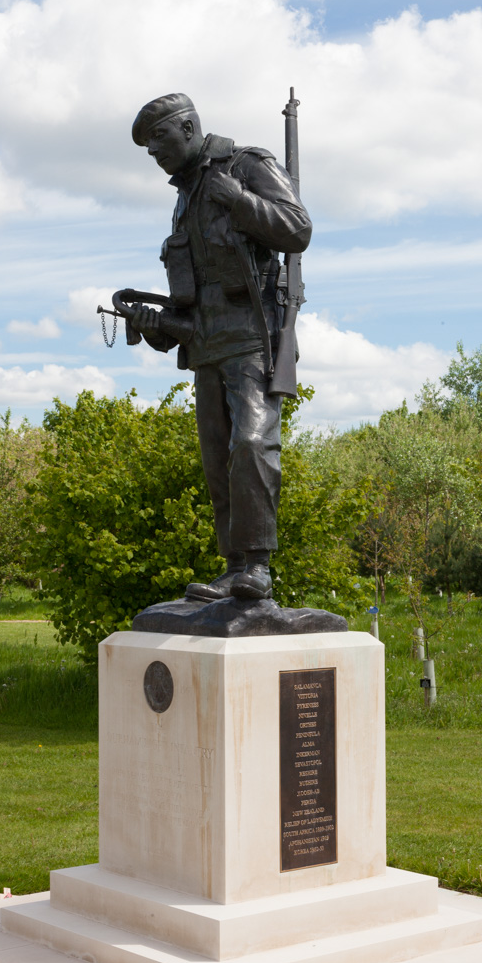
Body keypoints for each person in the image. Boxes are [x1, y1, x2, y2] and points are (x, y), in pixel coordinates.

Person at [129, 93, 312, 601]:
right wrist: (155, 324)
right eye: (146, 147)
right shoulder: (183, 201)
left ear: (187, 127)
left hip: (252, 339)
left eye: (157, 140)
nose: (152, 153)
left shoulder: (245, 165)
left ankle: (257, 566)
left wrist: (238, 200)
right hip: (205, 348)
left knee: (252, 444)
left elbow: (297, 228)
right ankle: (235, 568)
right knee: (217, 462)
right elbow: (193, 299)